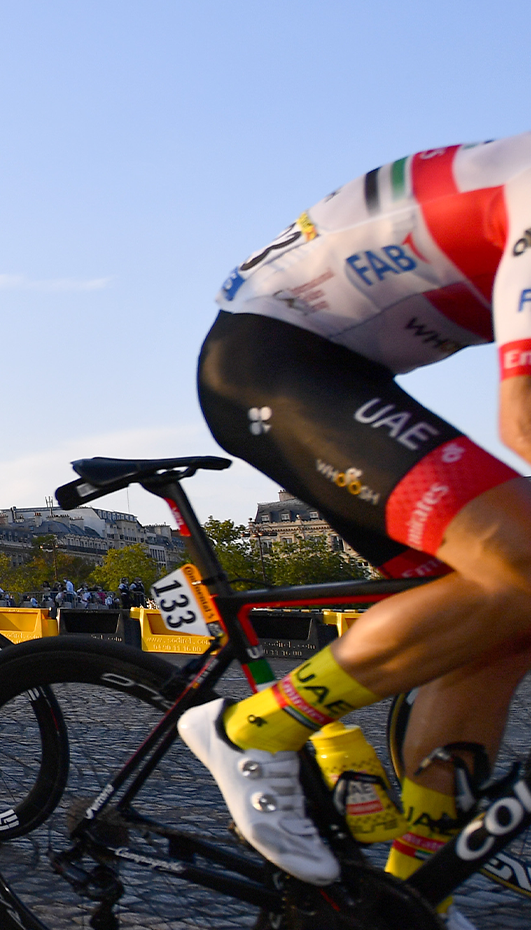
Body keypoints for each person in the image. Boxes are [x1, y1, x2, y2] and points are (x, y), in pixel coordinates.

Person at [185, 133, 531, 925]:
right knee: (522, 556)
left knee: (507, 621)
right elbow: (524, 418)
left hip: (343, 372)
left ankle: (410, 899)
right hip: (269, 359)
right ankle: (251, 730)